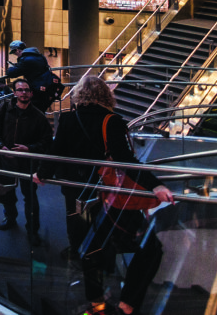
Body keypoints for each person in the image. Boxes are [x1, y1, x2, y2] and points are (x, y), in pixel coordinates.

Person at [34, 75, 175, 315]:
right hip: (107, 197)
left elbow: (55, 152)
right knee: (150, 248)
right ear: (105, 96)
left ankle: (96, 302)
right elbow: (126, 160)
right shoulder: (112, 121)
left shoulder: (67, 119)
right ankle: (127, 301)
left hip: (76, 195)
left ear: (80, 95)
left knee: (91, 248)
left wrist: (41, 174)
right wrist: (154, 186)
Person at [0, 77, 53, 245]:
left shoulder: (38, 116)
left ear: (31, 93)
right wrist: (0, 146)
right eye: (20, 90)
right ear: (15, 93)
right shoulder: (4, 108)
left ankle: (33, 230)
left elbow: (46, 141)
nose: (23, 93)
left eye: (26, 90)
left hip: (27, 163)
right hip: (6, 160)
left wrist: (29, 149)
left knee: (30, 197)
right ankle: (10, 218)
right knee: (6, 193)